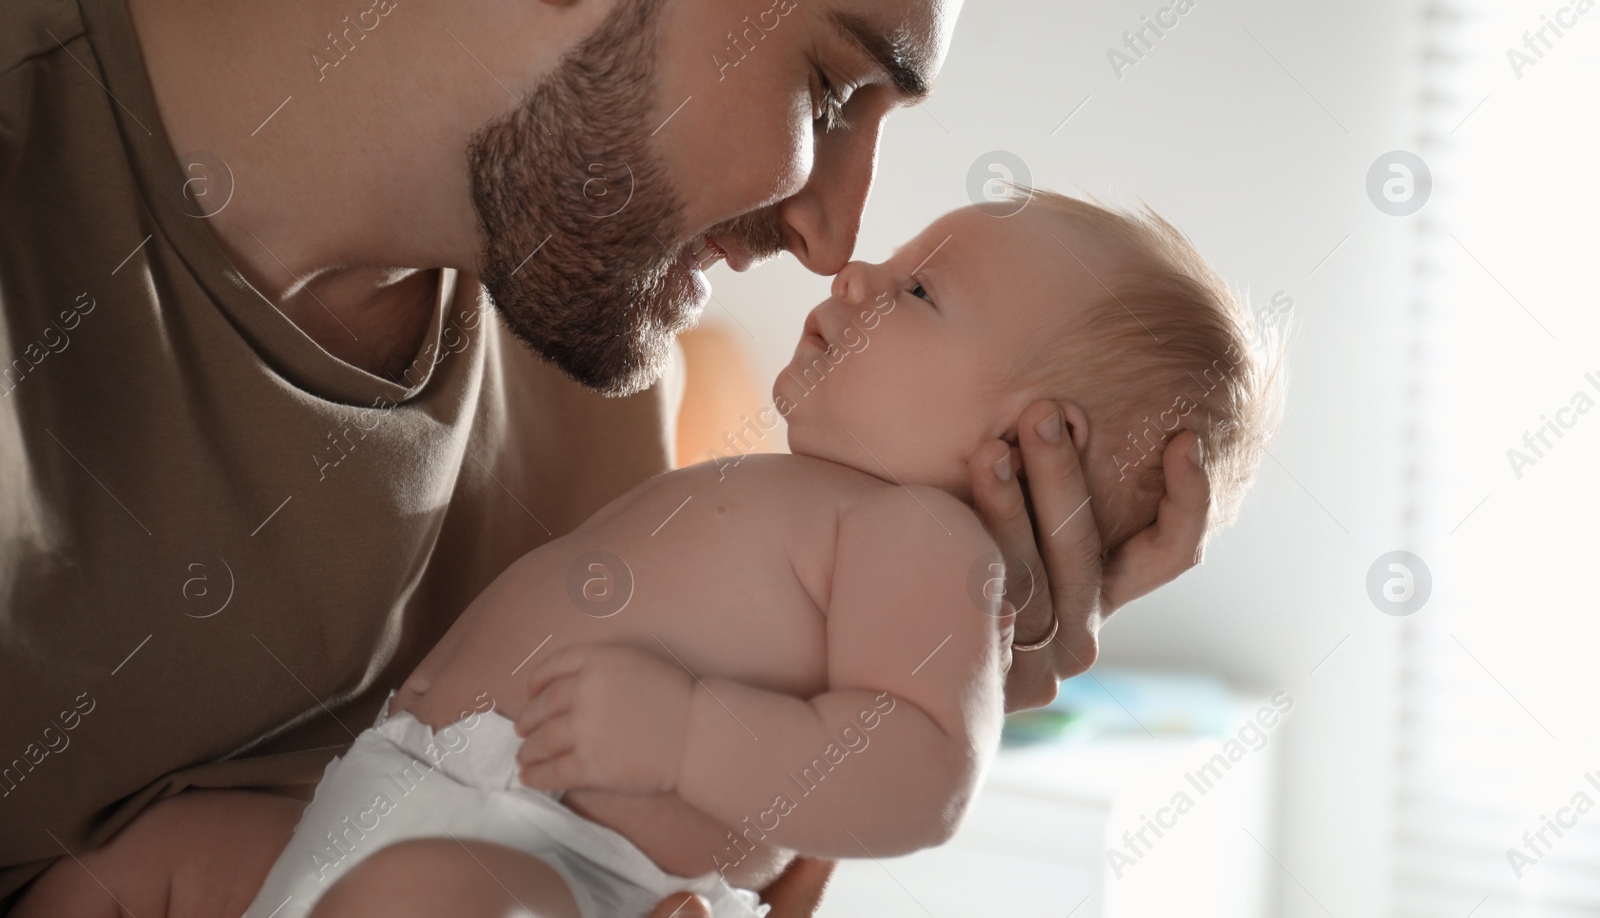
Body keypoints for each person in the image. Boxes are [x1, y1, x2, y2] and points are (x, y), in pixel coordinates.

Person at [0, 0, 1214, 914]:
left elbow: (662, 843)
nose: (836, 240)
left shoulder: (590, 301)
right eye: (830, 86)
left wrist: (938, 667)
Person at [16, 194, 1277, 918]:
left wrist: (680, 734)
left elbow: (919, 771)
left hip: (551, 864)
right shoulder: (816, 499)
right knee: (147, 863)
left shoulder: (926, 538)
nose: (850, 272)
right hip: (392, 799)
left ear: (1026, 440)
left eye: (917, 296)